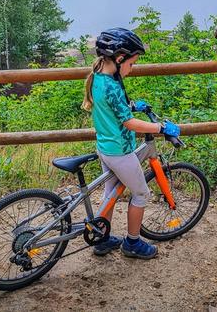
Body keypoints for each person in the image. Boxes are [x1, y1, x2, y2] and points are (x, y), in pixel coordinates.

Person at [81, 27, 181, 259]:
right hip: (120, 152)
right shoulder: (113, 87)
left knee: (111, 194)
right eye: (132, 63)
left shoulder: (98, 77)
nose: (132, 69)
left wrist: (133, 105)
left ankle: (102, 238)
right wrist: (160, 127)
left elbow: (114, 109)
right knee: (141, 194)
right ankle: (133, 243)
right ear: (119, 59)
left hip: (105, 148)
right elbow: (129, 124)